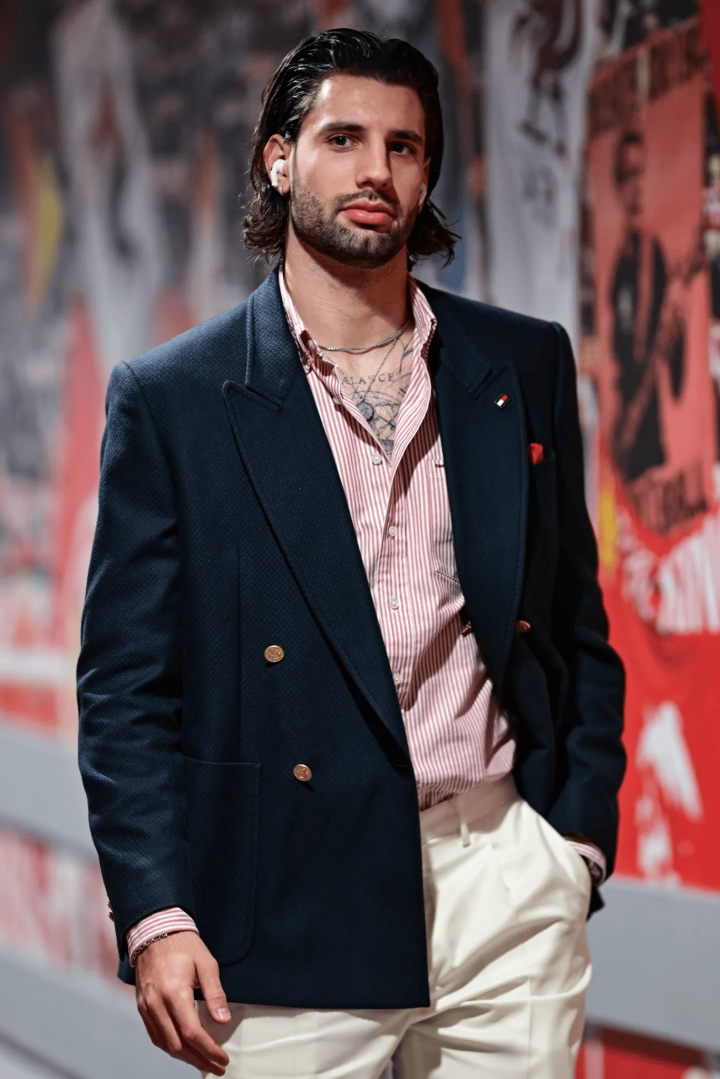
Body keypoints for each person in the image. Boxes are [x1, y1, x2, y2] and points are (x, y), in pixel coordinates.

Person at [77, 29, 625, 1079]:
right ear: (280, 160)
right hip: (284, 895)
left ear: (427, 172)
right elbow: (125, 688)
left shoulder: (519, 362)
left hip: (504, 885)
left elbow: (570, 621)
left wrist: (574, 845)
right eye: (343, 138)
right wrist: (154, 910)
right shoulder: (174, 399)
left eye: (404, 146)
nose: (376, 169)